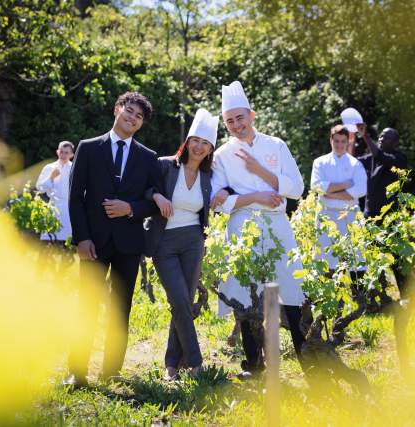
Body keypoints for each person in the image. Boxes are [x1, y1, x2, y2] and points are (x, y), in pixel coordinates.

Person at [210, 81, 306, 374]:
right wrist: (252, 197)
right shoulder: (221, 155)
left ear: (251, 115)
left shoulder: (276, 145)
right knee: (245, 293)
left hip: (277, 224)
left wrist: (259, 170)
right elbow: (216, 201)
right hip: (242, 227)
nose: (236, 125)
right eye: (229, 121)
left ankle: (306, 358)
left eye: (240, 118)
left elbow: (298, 188)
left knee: (291, 288)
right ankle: (254, 363)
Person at [68, 92, 161, 388]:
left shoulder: (148, 158)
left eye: (139, 117)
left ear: (141, 124)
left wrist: (130, 208)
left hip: (129, 243)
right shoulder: (88, 148)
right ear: (117, 110)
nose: (132, 118)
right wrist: (82, 238)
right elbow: (75, 198)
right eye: (129, 111)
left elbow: (154, 201)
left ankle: (111, 371)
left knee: (121, 308)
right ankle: (77, 371)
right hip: (93, 243)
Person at [144, 108, 218, 380]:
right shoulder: (165, 165)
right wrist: (157, 197)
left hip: (193, 242)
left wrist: (224, 193)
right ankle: (196, 363)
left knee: (184, 302)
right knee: (178, 300)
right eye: (195, 141)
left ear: (210, 149)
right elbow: (144, 186)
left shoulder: (209, 176)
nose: (199, 147)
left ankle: (172, 364)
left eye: (206, 143)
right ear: (187, 142)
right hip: (164, 242)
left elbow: (226, 191)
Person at [310, 124, 367, 271]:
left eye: (343, 141)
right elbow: (316, 186)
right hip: (326, 214)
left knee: (356, 258)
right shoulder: (320, 162)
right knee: (324, 258)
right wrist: (345, 185)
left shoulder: (355, 164)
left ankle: (357, 294)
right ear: (331, 141)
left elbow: (360, 189)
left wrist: (330, 192)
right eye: (336, 141)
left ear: (348, 142)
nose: (339, 145)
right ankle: (327, 293)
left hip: (350, 214)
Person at [357, 126, 407, 218]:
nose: (382, 139)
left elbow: (380, 156)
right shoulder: (370, 158)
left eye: (387, 137)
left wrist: (365, 135)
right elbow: (352, 162)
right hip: (369, 213)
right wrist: (351, 141)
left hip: (389, 215)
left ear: (395, 143)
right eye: (381, 136)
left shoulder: (399, 159)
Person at [35, 141, 75, 242]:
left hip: (69, 209)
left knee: (68, 241)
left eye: (66, 153)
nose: (63, 155)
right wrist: (51, 177)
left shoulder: (74, 169)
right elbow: (39, 188)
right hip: (53, 207)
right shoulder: (49, 168)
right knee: (49, 240)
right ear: (57, 152)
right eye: (61, 152)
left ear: (72, 155)